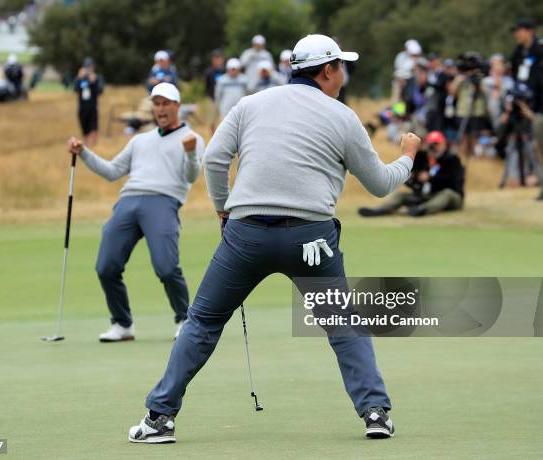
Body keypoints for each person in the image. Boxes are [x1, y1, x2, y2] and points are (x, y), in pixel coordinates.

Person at [129, 34, 420, 444]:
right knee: (343, 326)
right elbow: (379, 184)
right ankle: (375, 412)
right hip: (312, 241)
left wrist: (222, 209)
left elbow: (214, 159)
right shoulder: (343, 116)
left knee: (203, 322)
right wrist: (407, 155)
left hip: (245, 234)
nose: (344, 73)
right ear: (326, 71)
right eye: (341, 65)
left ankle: (159, 420)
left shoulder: (251, 103)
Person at [67, 83, 204, 343]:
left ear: (177, 106)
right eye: (157, 104)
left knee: (166, 267)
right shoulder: (140, 140)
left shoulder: (193, 139)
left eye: (166, 104)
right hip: (128, 201)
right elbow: (110, 172)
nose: (161, 109)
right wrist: (83, 152)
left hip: (164, 201)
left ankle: (184, 319)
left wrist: (189, 155)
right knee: (106, 266)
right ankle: (122, 324)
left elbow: (191, 176)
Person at [358, 130, 463, 217]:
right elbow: (412, 177)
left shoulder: (452, 159)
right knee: (401, 195)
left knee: (446, 194)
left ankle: (422, 210)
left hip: (451, 196)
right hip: (427, 195)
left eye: (437, 144)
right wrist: (415, 178)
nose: (434, 147)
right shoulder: (423, 158)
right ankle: (382, 210)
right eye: (431, 144)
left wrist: (430, 178)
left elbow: (452, 180)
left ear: (444, 144)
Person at [510, 18, 543, 200]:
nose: (517, 34)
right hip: (526, 107)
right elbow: (518, 80)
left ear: (530, 31)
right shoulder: (518, 52)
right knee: (537, 148)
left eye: (520, 30)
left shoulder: (540, 50)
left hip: (539, 108)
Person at [74, 57, 104, 146]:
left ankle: (94, 145)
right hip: (83, 107)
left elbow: (100, 91)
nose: (88, 69)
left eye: (90, 67)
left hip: (92, 107)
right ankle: (86, 145)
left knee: (94, 127)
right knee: (84, 128)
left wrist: (94, 81)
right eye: (87, 67)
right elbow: (75, 89)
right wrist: (79, 78)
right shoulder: (80, 78)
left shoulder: (97, 77)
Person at [204, 49, 225, 133]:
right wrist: (211, 97)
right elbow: (207, 86)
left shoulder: (225, 71)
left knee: (222, 119)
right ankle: (213, 136)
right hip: (212, 99)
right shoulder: (209, 72)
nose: (217, 60)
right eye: (215, 58)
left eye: (219, 58)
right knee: (212, 121)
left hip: (223, 100)